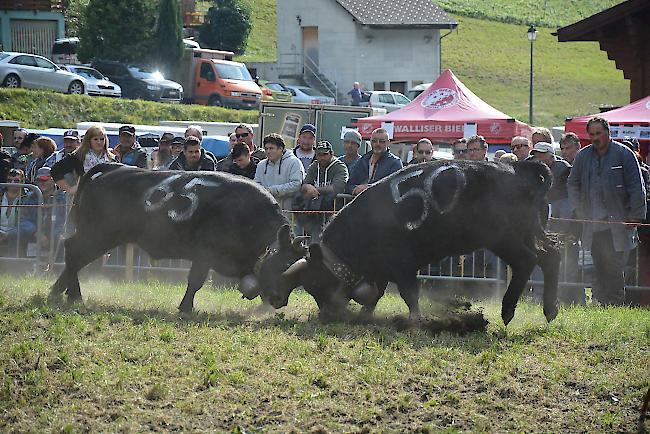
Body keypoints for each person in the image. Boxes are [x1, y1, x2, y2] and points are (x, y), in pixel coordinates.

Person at [567, 116, 647, 305]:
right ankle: (600, 303)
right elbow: (572, 184)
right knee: (597, 267)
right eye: (592, 134)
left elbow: (637, 186)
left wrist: (636, 215)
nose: (595, 138)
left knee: (613, 268)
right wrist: (579, 209)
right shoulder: (583, 156)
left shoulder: (624, 154)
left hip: (618, 225)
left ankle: (614, 304)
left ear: (608, 133)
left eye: (598, 133)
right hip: (592, 226)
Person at [296, 141, 349, 240]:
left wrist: (315, 190)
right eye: (319, 155)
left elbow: (338, 187)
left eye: (325, 154)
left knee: (333, 240)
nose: (322, 157)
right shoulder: (314, 166)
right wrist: (308, 187)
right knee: (315, 240)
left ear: (331, 154)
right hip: (315, 212)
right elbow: (303, 185)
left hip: (334, 211)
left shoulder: (339, 167)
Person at [51, 125, 116, 195]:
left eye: (102, 139)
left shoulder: (112, 159)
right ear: (89, 140)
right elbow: (55, 170)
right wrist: (70, 189)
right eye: (95, 139)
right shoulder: (78, 156)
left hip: (107, 197)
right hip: (83, 198)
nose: (99, 142)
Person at [254, 133, 305, 212]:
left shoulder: (294, 162)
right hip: (266, 211)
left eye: (271, 148)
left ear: (281, 149)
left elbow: (296, 184)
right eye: (266, 148)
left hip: (288, 211)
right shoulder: (261, 165)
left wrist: (273, 190)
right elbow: (256, 184)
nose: (268, 151)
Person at [346, 128, 402, 195]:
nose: (377, 144)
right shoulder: (362, 160)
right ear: (370, 142)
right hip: (361, 203)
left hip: (383, 204)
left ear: (388, 143)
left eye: (381, 141)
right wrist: (355, 190)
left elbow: (395, 187)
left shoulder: (395, 163)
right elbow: (349, 185)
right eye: (374, 141)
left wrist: (368, 188)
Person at [23, 167, 66, 253]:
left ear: (53, 180)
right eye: (39, 180)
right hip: (34, 235)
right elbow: (23, 219)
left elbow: (68, 221)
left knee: (63, 239)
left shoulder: (63, 198)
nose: (41, 183)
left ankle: (60, 266)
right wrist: (36, 233)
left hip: (56, 236)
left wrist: (51, 236)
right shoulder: (30, 197)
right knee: (15, 235)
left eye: (44, 180)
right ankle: (15, 265)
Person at [0, 169, 28, 256]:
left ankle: (14, 266)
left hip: (17, 232)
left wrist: (10, 233)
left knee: (16, 236)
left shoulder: (28, 197)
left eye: (16, 181)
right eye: (9, 180)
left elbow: (27, 221)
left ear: (23, 182)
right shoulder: (0, 195)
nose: (12, 183)